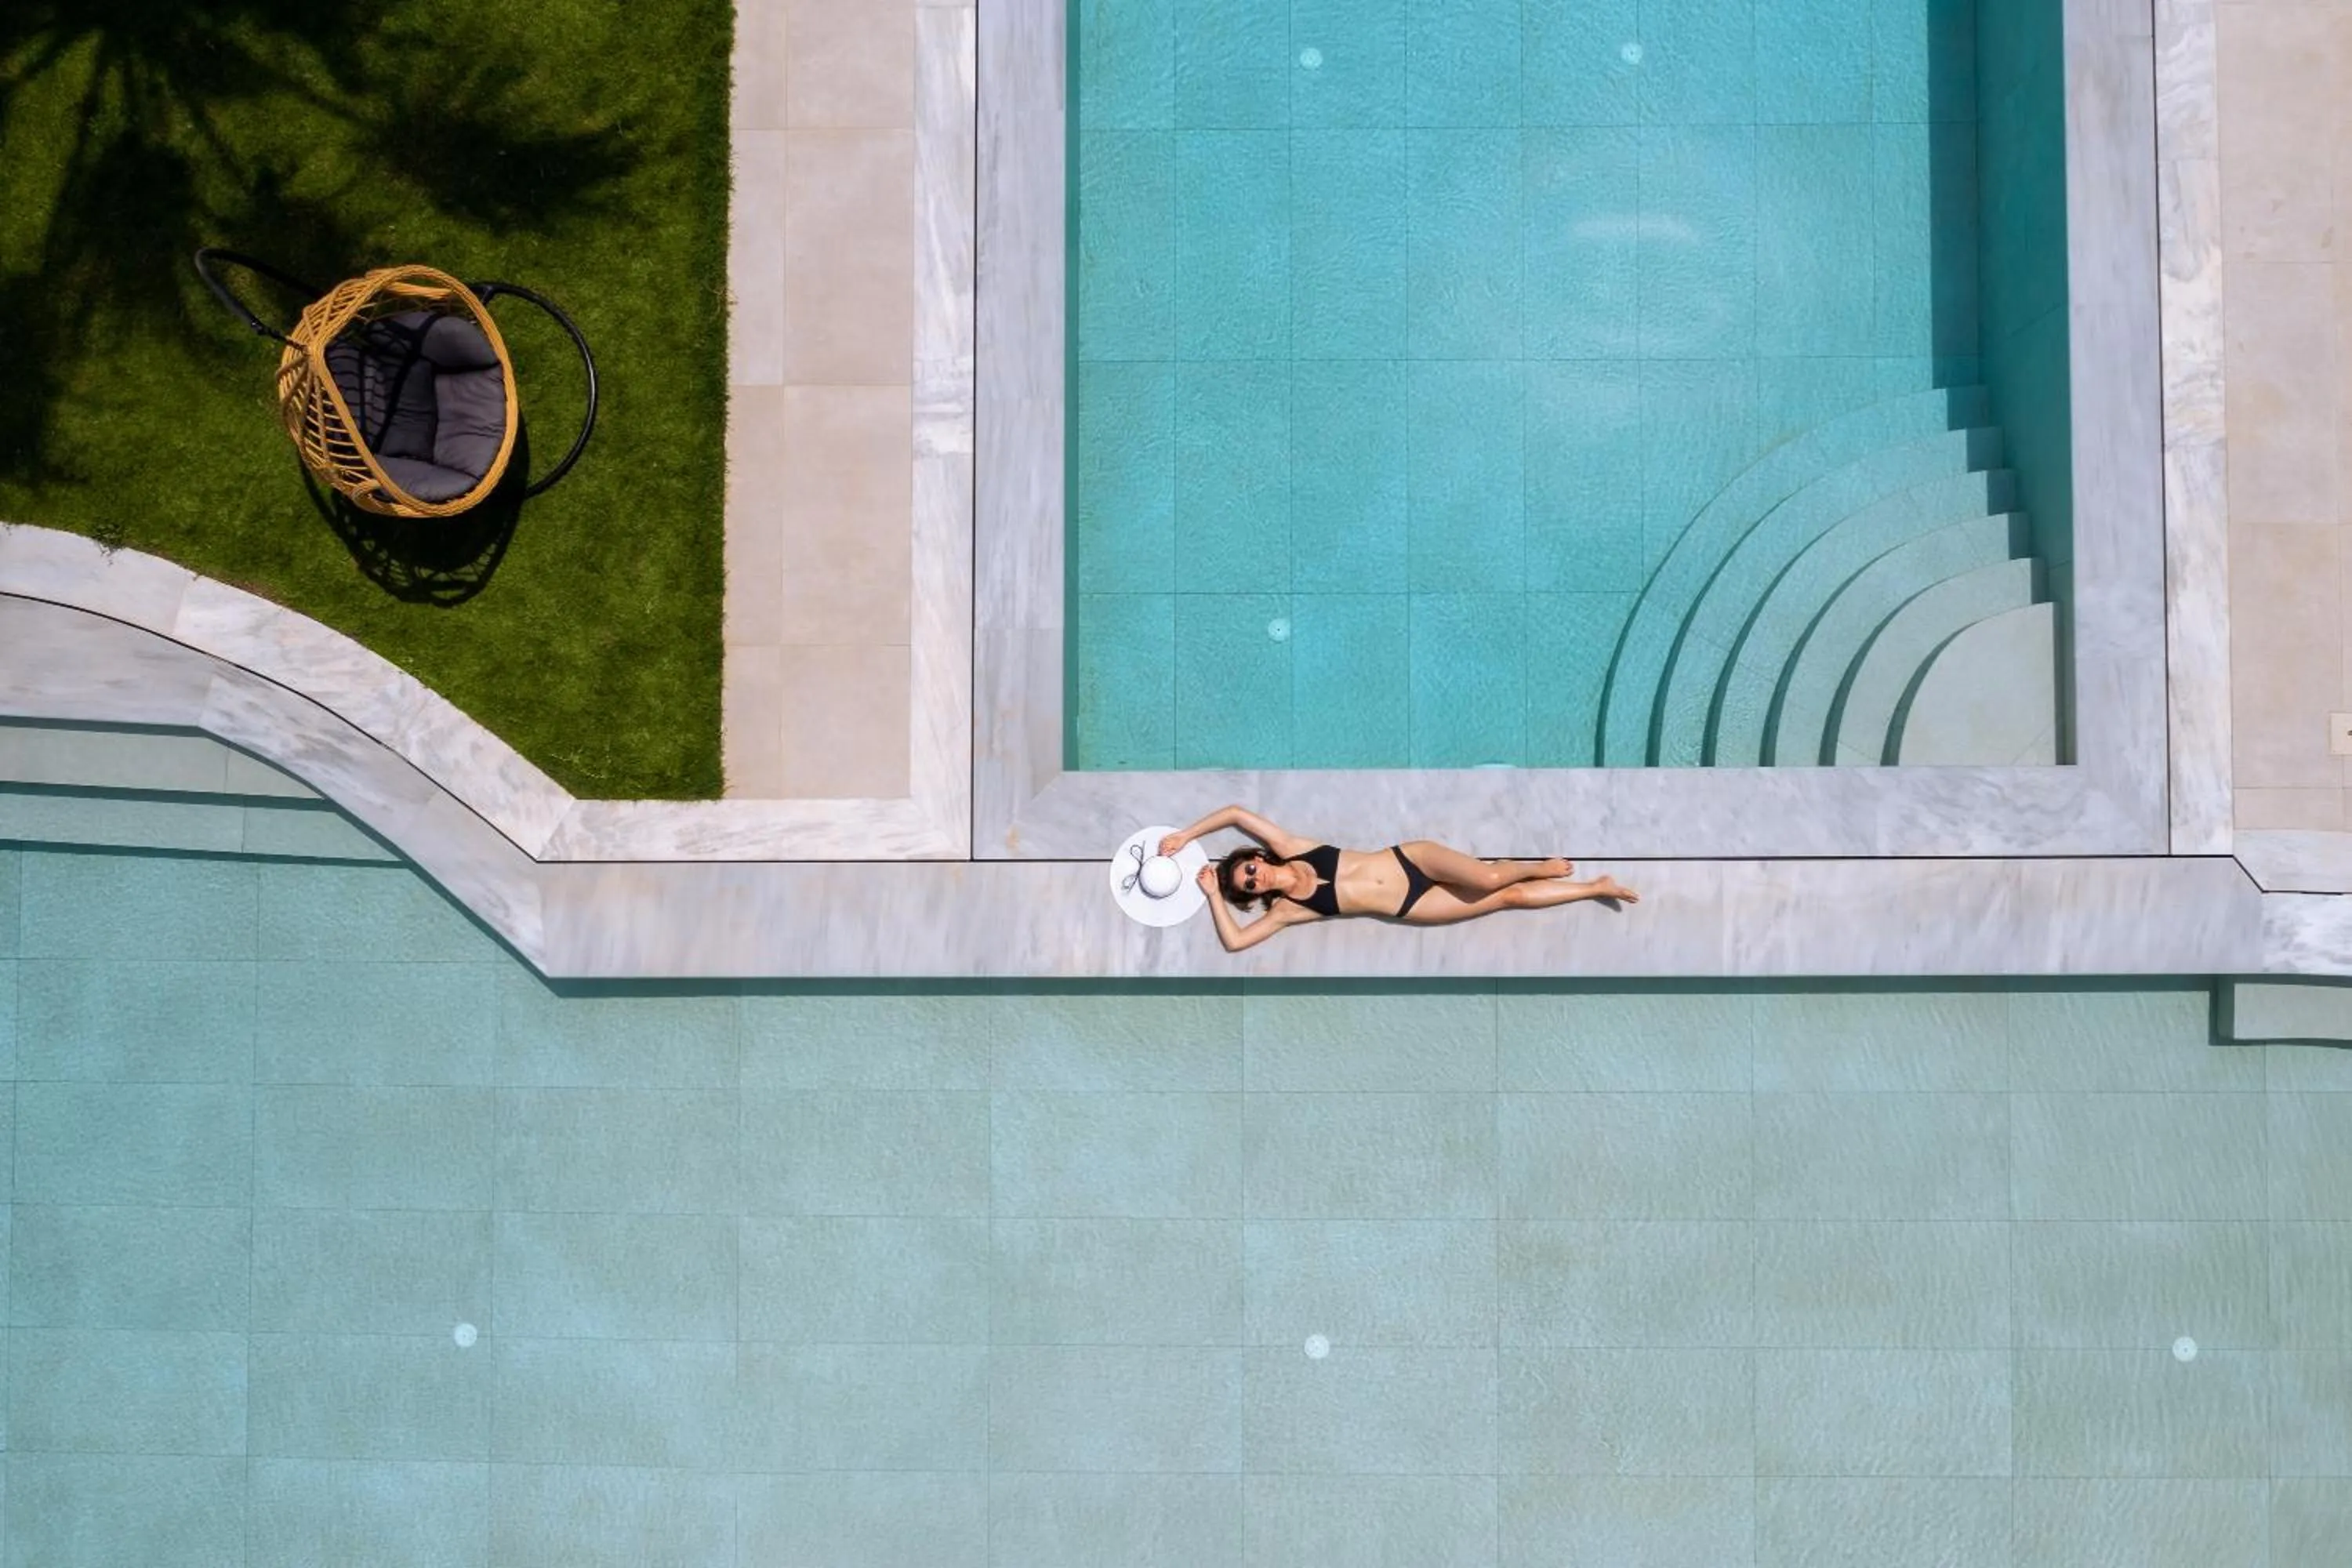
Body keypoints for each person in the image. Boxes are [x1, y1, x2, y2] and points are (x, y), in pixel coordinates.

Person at [1160, 804, 1638, 953]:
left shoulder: (1290, 847)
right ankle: (1596, 888)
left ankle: (1539, 865)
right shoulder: (1287, 911)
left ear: (1256, 857)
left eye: (1248, 870)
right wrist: (1212, 898)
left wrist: (1185, 835)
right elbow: (1236, 943)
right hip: (1410, 907)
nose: (1253, 879)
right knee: (1504, 899)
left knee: (1491, 877)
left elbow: (1237, 812)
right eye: (1247, 887)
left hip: (1412, 861)